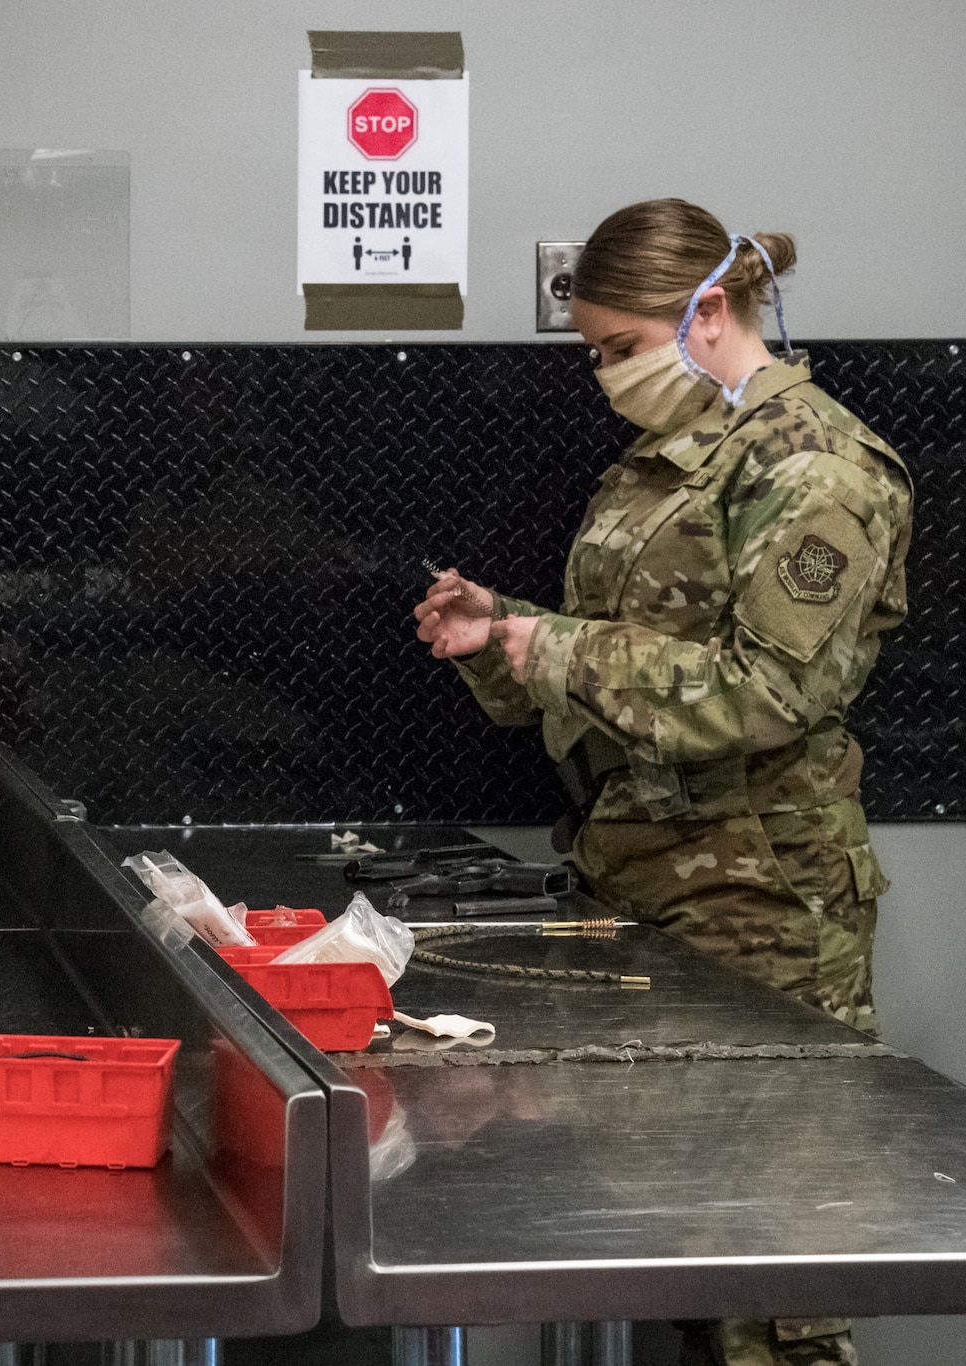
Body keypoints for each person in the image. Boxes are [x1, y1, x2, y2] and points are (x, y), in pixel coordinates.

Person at [413, 199, 911, 1366]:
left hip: (760, 902)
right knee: (682, 1235)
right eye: (592, 351)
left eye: (619, 345)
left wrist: (548, 649)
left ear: (710, 310)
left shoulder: (815, 467)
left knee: (774, 1274)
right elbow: (633, 650)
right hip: (647, 884)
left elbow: (762, 693)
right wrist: (504, 632)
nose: (602, 373)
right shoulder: (670, 455)